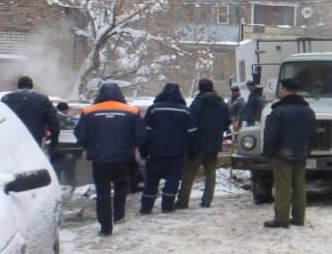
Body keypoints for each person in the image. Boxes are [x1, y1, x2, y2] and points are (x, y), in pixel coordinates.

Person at [74, 82, 143, 236]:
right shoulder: (132, 111)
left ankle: (105, 227)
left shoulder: (88, 110)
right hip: (123, 158)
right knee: (121, 186)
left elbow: (80, 134)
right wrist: (131, 147)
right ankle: (119, 215)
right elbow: (141, 134)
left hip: (99, 158)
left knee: (103, 192)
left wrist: (89, 147)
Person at [261, 78, 315, 229]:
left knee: (283, 186)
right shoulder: (308, 111)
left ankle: (281, 219)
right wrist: (307, 151)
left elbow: (270, 135)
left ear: (284, 90)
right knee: (299, 186)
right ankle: (299, 218)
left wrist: (268, 153)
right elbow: (313, 134)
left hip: (282, 154)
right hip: (301, 153)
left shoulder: (278, 112)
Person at [177, 78, 230, 209]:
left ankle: (183, 202)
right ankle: (207, 201)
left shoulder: (198, 103)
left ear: (200, 89)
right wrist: (218, 132)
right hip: (214, 143)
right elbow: (227, 121)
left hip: (197, 144)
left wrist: (190, 139)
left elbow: (190, 122)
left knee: (189, 173)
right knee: (211, 172)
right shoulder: (221, 103)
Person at [139, 82, 191, 214]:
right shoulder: (185, 110)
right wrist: (188, 150)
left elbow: (146, 132)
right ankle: (167, 206)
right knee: (173, 180)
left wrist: (143, 151)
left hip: (155, 151)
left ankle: (146, 207)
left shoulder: (154, 109)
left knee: (151, 180)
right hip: (177, 152)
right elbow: (191, 133)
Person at [2, 75, 60, 149]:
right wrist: (54, 140)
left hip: (12, 137)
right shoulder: (42, 99)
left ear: (18, 86)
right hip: (34, 136)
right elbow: (53, 120)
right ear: (31, 86)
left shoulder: (7, 98)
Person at [49, 100, 78, 186]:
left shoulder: (54, 116)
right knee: (67, 167)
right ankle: (69, 184)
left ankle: (57, 184)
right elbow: (62, 129)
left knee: (56, 168)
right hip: (63, 146)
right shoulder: (60, 117)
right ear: (65, 110)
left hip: (54, 146)